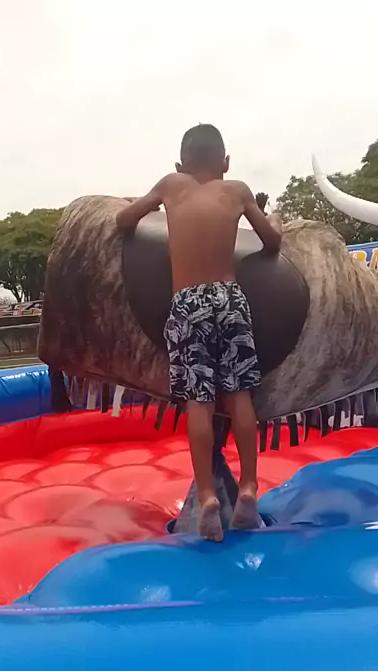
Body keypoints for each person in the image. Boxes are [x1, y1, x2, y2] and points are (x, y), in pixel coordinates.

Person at [116, 124, 282, 541]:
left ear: (180, 165)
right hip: (230, 299)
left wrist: (139, 207)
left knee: (199, 402)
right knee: (240, 395)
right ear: (226, 162)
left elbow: (124, 220)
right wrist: (271, 222)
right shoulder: (237, 190)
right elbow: (272, 242)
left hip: (188, 303)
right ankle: (248, 486)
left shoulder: (171, 186)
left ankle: (207, 494)